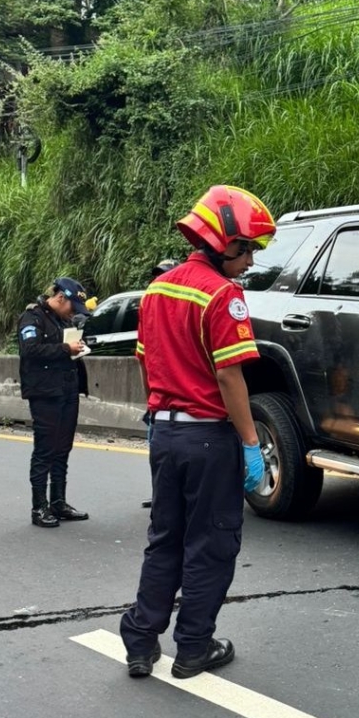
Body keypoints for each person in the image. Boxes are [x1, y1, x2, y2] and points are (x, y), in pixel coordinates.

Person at [120, 185, 275, 679]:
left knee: (165, 538)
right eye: (248, 247)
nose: (250, 260)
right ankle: (193, 647)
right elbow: (231, 375)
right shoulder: (222, 295)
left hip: (165, 435)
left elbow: (147, 362)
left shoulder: (158, 289)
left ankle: (141, 642)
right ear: (224, 242)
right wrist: (252, 444)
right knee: (210, 543)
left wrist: (156, 415)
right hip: (209, 439)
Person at [18, 277, 92, 528]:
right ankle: (39, 507)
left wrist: (79, 347)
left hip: (68, 390)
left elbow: (68, 349)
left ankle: (58, 502)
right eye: (72, 306)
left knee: (62, 450)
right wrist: (64, 348)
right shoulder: (33, 318)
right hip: (45, 393)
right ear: (60, 297)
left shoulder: (64, 320)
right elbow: (30, 351)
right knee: (45, 451)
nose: (73, 312)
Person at [141, 259, 179, 509]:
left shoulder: (182, 310)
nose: (158, 280)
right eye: (156, 276)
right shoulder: (150, 306)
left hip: (182, 406)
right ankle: (160, 496)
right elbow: (143, 359)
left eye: (163, 275)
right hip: (159, 402)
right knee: (157, 453)